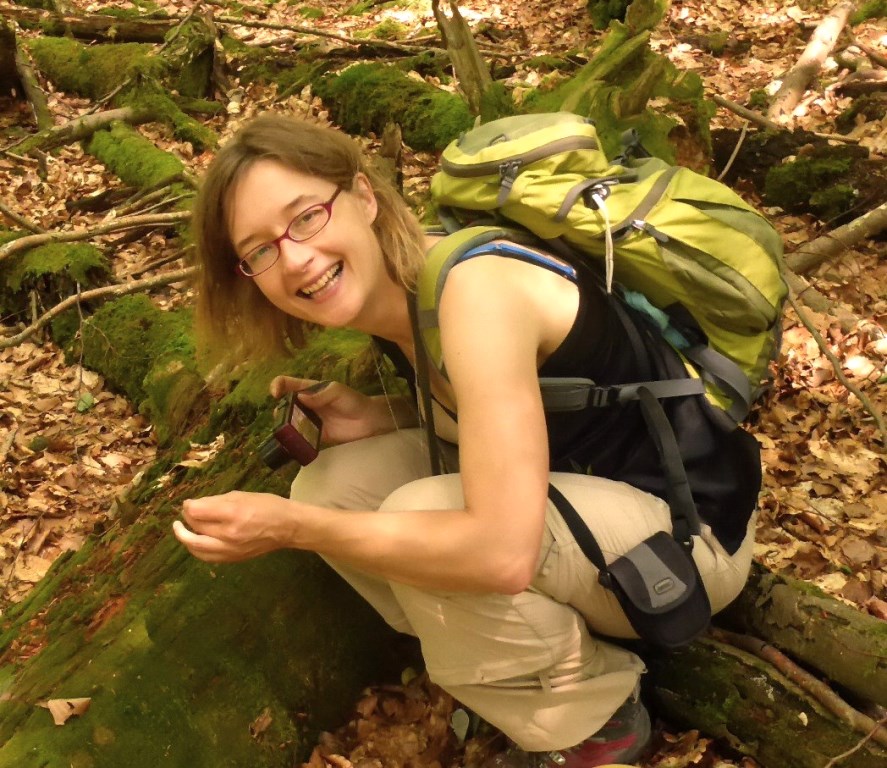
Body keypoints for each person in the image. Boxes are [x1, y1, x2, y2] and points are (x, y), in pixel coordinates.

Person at [173, 113, 762, 768]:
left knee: (419, 521)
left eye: (305, 216)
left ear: (364, 197)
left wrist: (292, 530)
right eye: (258, 250)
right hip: (591, 510)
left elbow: (499, 551)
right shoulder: (405, 286)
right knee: (331, 488)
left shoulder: (476, 289)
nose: (295, 259)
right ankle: (509, 653)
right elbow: (514, 407)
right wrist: (382, 416)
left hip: (687, 542)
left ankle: (595, 721)